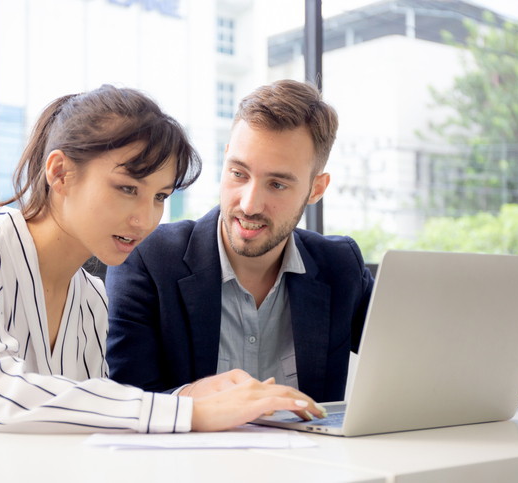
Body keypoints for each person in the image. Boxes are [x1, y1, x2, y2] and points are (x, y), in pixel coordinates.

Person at [0, 84, 326, 438]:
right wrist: (189, 409)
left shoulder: (91, 298)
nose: (145, 218)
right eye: (128, 188)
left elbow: (87, 418)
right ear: (59, 173)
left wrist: (191, 393)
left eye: (160, 197)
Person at [105, 80, 375, 403]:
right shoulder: (149, 261)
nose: (249, 204)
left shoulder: (341, 267)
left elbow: (416, 359)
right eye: (239, 174)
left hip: (310, 455)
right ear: (226, 159)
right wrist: (193, 400)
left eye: (276, 184)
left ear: (316, 189)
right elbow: (125, 405)